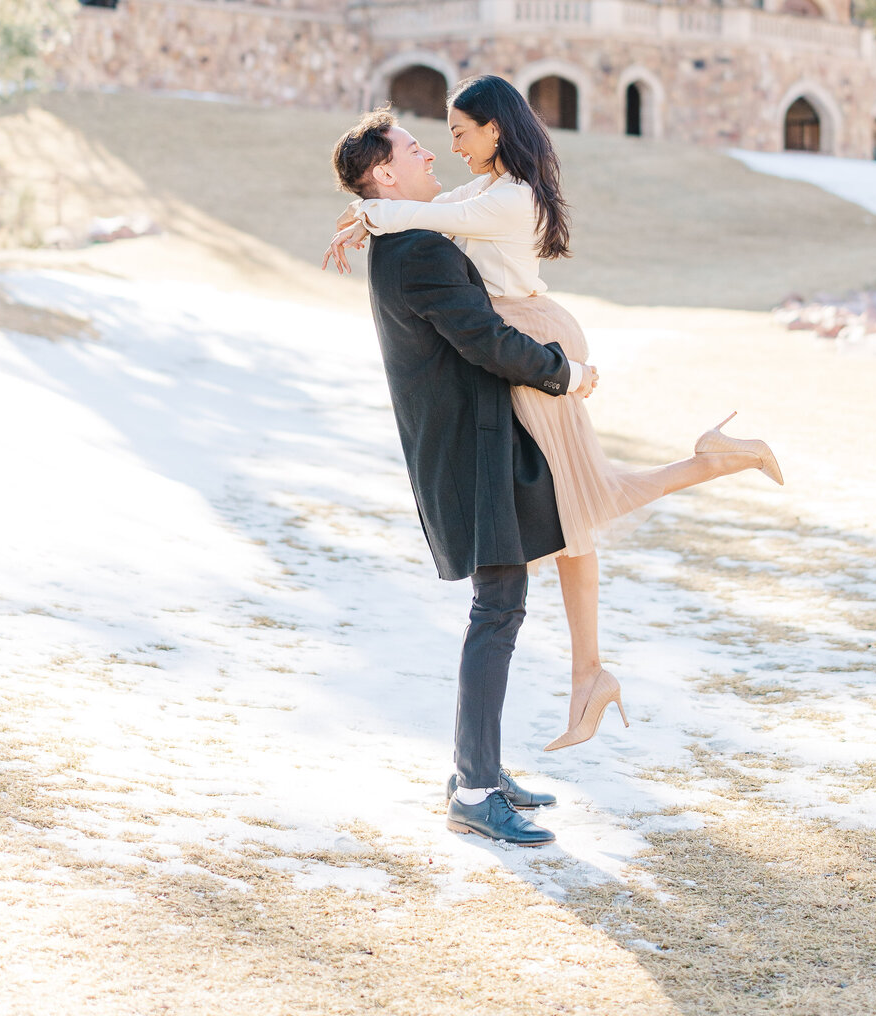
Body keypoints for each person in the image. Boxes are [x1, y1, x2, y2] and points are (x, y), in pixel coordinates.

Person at [327, 76, 783, 754]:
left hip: (533, 340)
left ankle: (593, 665)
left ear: (494, 130)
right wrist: (366, 213)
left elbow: (419, 218)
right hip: (530, 334)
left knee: (581, 499)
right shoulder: (487, 189)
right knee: (578, 503)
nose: (448, 149)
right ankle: (589, 672)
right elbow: (427, 209)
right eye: (436, 139)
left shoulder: (507, 199)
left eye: (458, 134)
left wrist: (369, 214)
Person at [330, 110, 600, 847]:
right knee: (498, 607)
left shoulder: (407, 234)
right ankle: (475, 790)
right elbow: (485, 340)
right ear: (385, 172)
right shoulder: (418, 249)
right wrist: (566, 373)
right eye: (413, 148)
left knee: (500, 605)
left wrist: (364, 215)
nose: (430, 153)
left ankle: (478, 770)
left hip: (469, 442)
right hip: (467, 451)